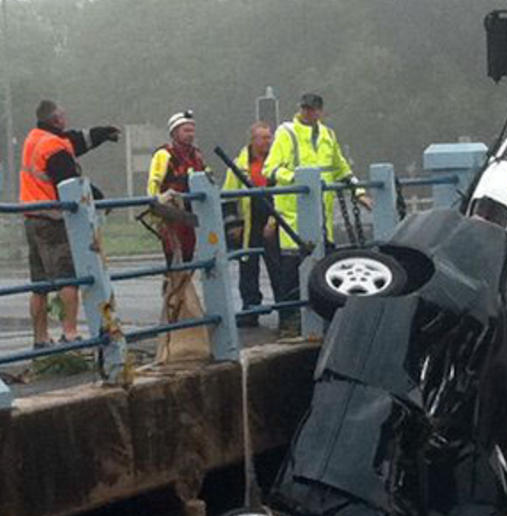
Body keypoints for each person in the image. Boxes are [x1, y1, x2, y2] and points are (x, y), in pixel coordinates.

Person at [263, 91, 367, 334]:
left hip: (323, 216)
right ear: (300, 109)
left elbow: (342, 168)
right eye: (306, 108)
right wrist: (299, 180)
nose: (309, 113)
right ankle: (289, 322)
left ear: (320, 111)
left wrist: (359, 191)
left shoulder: (328, 135)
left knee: (323, 269)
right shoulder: (286, 133)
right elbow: (271, 168)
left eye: (313, 109)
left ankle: (326, 319)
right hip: (293, 215)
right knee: (291, 272)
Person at [20, 99, 118, 347]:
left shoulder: (36, 137)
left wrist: (100, 134)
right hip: (52, 219)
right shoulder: (53, 146)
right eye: (63, 116)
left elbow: (75, 140)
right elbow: (70, 181)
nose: (66, 120)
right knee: (68, 277)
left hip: (31, 217)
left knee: (39, 283)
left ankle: (40, 338)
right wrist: (99, 198)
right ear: (56, 120)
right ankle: (70, 333)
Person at [146, 109, 213, 361]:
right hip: (172, 218)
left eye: (193, 129)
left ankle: (180, 304)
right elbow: (154, 184)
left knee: (188, 261)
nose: (191, 133)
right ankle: (173, 307)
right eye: (186, 129)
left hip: (190, 219)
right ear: (175, 132)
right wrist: (156, 209)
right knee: (174, 263)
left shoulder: (196, 154)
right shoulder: (164, 155)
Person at [222, 121, 281, 328]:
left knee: (279, 267)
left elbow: (283, 195)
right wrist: (234, 226)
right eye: (264, 137)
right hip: (249, 223)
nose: (268, 141)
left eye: (270, 137)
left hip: (274, 221)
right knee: (248, 267)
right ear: (253, 140)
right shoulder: (239, 165)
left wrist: (274, 223)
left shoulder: (278, 161)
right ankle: (250, 308)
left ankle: (285, 308)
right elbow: (228, 197)